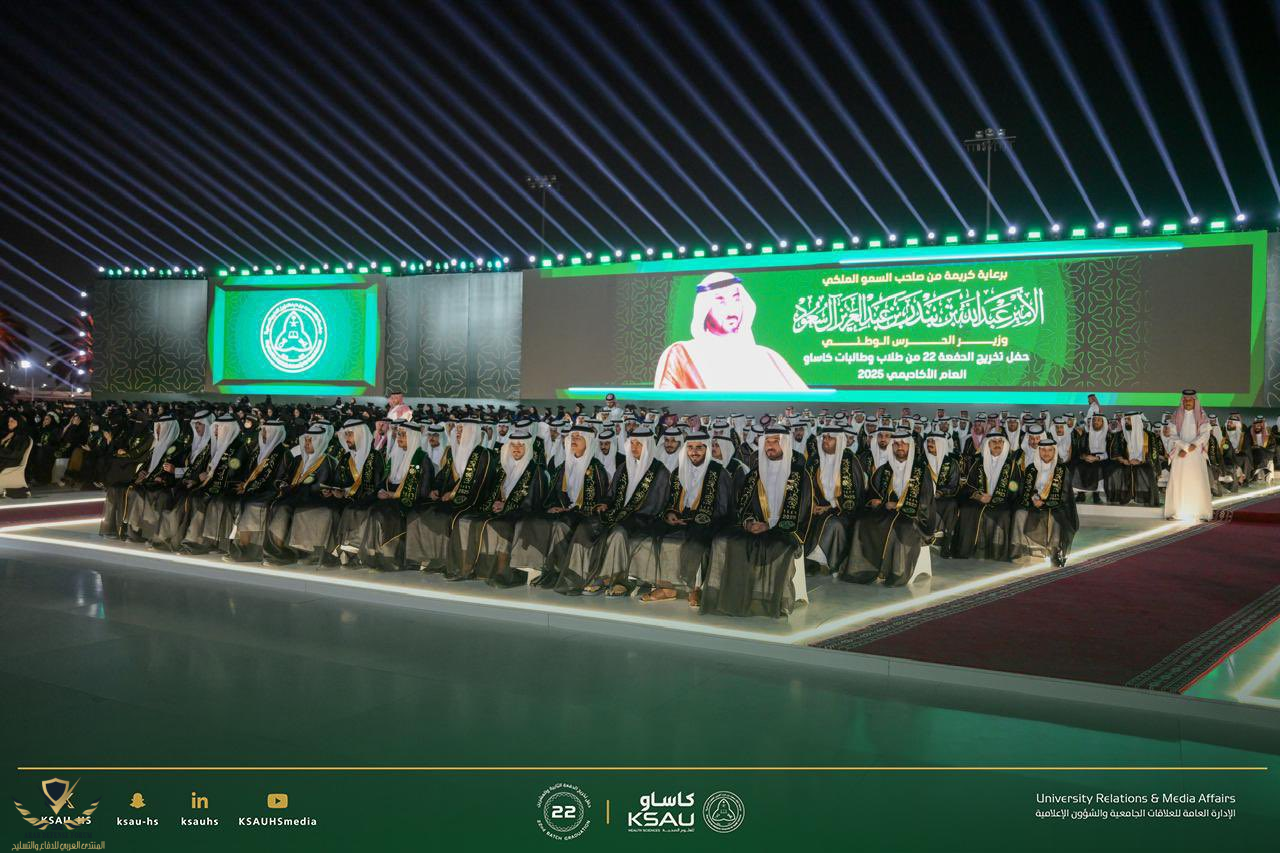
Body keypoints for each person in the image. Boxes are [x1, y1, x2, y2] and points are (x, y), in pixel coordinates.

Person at [702, 427, 812, 617]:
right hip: (757, 527)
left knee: (776, 547)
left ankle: (771, 598)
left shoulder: (800, 474)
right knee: (722, 540)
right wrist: (749, 522)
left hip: (786, 529)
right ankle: (728, 595)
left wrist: (769, 526)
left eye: (775, 441)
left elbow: (802, 510)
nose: (770, 446)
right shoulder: (754, 474)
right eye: (767, 442)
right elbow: (743, 506)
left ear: (785, 444)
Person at [558, 425, 671, 596]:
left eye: (639, 444)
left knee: (617, 533)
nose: (634, 448)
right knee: (587, 526)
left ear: (648, 446)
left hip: (643, 518)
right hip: (617, 514)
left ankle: (615, 580)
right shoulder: (624, 467)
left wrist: (626, 514)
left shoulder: (660, 471)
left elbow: (655, 505)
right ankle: (580, 575)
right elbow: (610, 495)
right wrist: (604, 504)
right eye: (632, 443)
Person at [653, 272, 808, 391]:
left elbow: (804, 404)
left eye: (736, 298)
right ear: (705, 308)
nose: (731, 308)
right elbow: (665, 405)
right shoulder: (681, 354)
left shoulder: (766, 356)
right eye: (721, 301)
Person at [634, 432, 731, 603]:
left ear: (707, 449)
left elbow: (723, 507)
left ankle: (695, 588)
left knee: (696, 543)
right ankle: (667, 587)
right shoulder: (678, 471)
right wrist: (670, 513)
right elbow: (670, 501)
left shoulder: (719, 472)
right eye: (690, 448)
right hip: (681, 517)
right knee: (655, 536)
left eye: (699, 448)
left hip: (708, 519)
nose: (694, 452)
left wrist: (697, 518)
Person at [845, 430, 936, 586]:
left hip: (915, 517)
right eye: (896, 444)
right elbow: (873, 492)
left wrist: (899, 505)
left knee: (900, 528)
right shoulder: (885, 469)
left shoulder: (921, 470)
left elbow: (925, 501)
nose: (900, 447)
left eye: (903, 444)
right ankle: (864, 569)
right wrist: (875, 501)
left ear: (910, 446)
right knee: (862, 523)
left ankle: (892, 572)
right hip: (887, 513)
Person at [405, 419, 497, 572]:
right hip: (448, 499)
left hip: (472, 501)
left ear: (471, 432)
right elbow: (443, 475)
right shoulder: (453, 451)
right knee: (417, 512)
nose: (458, 432)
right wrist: (435, 489)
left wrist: (454, 494)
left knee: (444, 517)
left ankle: (444, 561)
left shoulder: (483, 454)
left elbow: (479, 483)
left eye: (462, 429)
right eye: (457, 429)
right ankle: (424, 558)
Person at [359, 422, 431, 571]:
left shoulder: (422, 459)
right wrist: (380, 492)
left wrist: (394, 495)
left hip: (409, 501)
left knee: (382, 513)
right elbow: (384, 482)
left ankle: (389, 557)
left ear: (413, 437)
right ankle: (372, 554)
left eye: (404, 435)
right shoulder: (394, 457)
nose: (400, 438)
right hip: (388, 497)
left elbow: (423, 492)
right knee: (368, 508)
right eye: (399, 434)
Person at [266, 422, 336, 564]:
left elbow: (319, 487)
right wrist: (283, 484)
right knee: (274, 504)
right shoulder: (299, 459)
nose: (307, 444)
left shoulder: (327, 462)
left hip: (312, 499)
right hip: (294, 496)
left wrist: (295, 488)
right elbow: (286, 477)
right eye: (306, 440)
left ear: (319, 442)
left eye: (310, 441)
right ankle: (274, 550)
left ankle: (280, 552)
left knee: (284, 508)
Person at [225, 418, 291, 562]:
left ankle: (244, 548)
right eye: (263, 431)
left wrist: (249, 488)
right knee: (236, 500)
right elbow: (248, 472)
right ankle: (237, 547)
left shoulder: (284, 453)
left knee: (251, 505)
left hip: (270, 492)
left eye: (267, 431)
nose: (263, 434)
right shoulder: (258, 451)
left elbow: (279, 480)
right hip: (254, 490)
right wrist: (244, 485)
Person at [804, 425, 864, 576]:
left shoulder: (849, 460)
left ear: (839, 440)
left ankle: (827, 562)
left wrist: (831, 506)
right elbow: (806, 487)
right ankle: (809, 561)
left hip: (844, 511)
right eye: (824, 437)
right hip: (817, 508)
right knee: (807, 520)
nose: (826, 441)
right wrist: (812, 504)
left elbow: (855, 494)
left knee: (833, 524)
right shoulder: (815, 460)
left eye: (830, 438)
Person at [950, 430, 1018, 562]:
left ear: (1004, 444)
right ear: (988, 445)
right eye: (993, 442)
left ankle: (997, 553)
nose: (997, 444)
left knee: (1003, 514)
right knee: (967, 509)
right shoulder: (979, 463)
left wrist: (996, 498)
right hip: (980, 500)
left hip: (1003, 501)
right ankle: (967, 550)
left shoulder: (1012, 465)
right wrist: (979, 496)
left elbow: (1015, 488)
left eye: (1000, 442)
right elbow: (968, 486)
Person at [1014, 437, 1078, 567]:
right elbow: (1025, 489)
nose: (1046, 453)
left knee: (1055, 516)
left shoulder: (1062, 470)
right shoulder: (1031, 468)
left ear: (1054, 452)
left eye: (1050, 450)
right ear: (1038, 451)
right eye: (1043, 450)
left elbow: (1065, 493)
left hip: (1056, 504)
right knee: (1019, 513)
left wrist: (1045, 502)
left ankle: (1054, 551)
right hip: (1034, 502)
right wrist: (1034, 499)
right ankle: (1020, 548)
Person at [1163, 390, 1212, 521]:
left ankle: (1200, 513)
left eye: (1190, 400)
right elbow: (1172, 435)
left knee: (1197, 482)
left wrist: (1192, 445)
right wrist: (1185, 446)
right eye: (1185, 400)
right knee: (1179, 482)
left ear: (1195, 401)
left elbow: (1205, 434)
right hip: (1180, 454)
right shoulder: (1176, 416)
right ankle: (1177, 512)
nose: (1187, 402)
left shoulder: (1202, 416)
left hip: (1196, 454)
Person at [1106, 412, 1160, 506]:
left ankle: (1145, 498)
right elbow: (1115, 450)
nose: (1126, 421)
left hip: (1144, 462)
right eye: (1126, 419)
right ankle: (1121, 497)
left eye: (1129, 419)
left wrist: (1141, 461)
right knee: (1115, 469)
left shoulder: (1149, 435)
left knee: (1147, 470)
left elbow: (1154, 454)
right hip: (1125, 462)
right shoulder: (1120, 435)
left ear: (1136, 421)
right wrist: (1123, 460)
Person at [923, 431, 963, 558]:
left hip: (944, 498)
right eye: (928, 441)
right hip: (924, 498)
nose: (930, 444)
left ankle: (946, 543)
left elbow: (953, 485)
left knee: (951, 505)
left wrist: (941, 492)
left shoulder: (951, 462)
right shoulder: (921, 461)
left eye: (933, 441)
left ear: (941, 444)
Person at [1072, 413, 1111, 503]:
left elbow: (1110, 452)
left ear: (1103, 422)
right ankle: (1081, 494)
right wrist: (1084, 456)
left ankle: (1096, 494)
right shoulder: (1086, 435)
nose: (1095, 422)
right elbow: (1080, 449)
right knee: (1078, 467)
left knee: (1099, 468)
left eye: (1098, 420)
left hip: (1102, 459)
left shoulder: (1108, 435)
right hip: (1087, 458)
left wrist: (1097, 458)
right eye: (1094, 420)